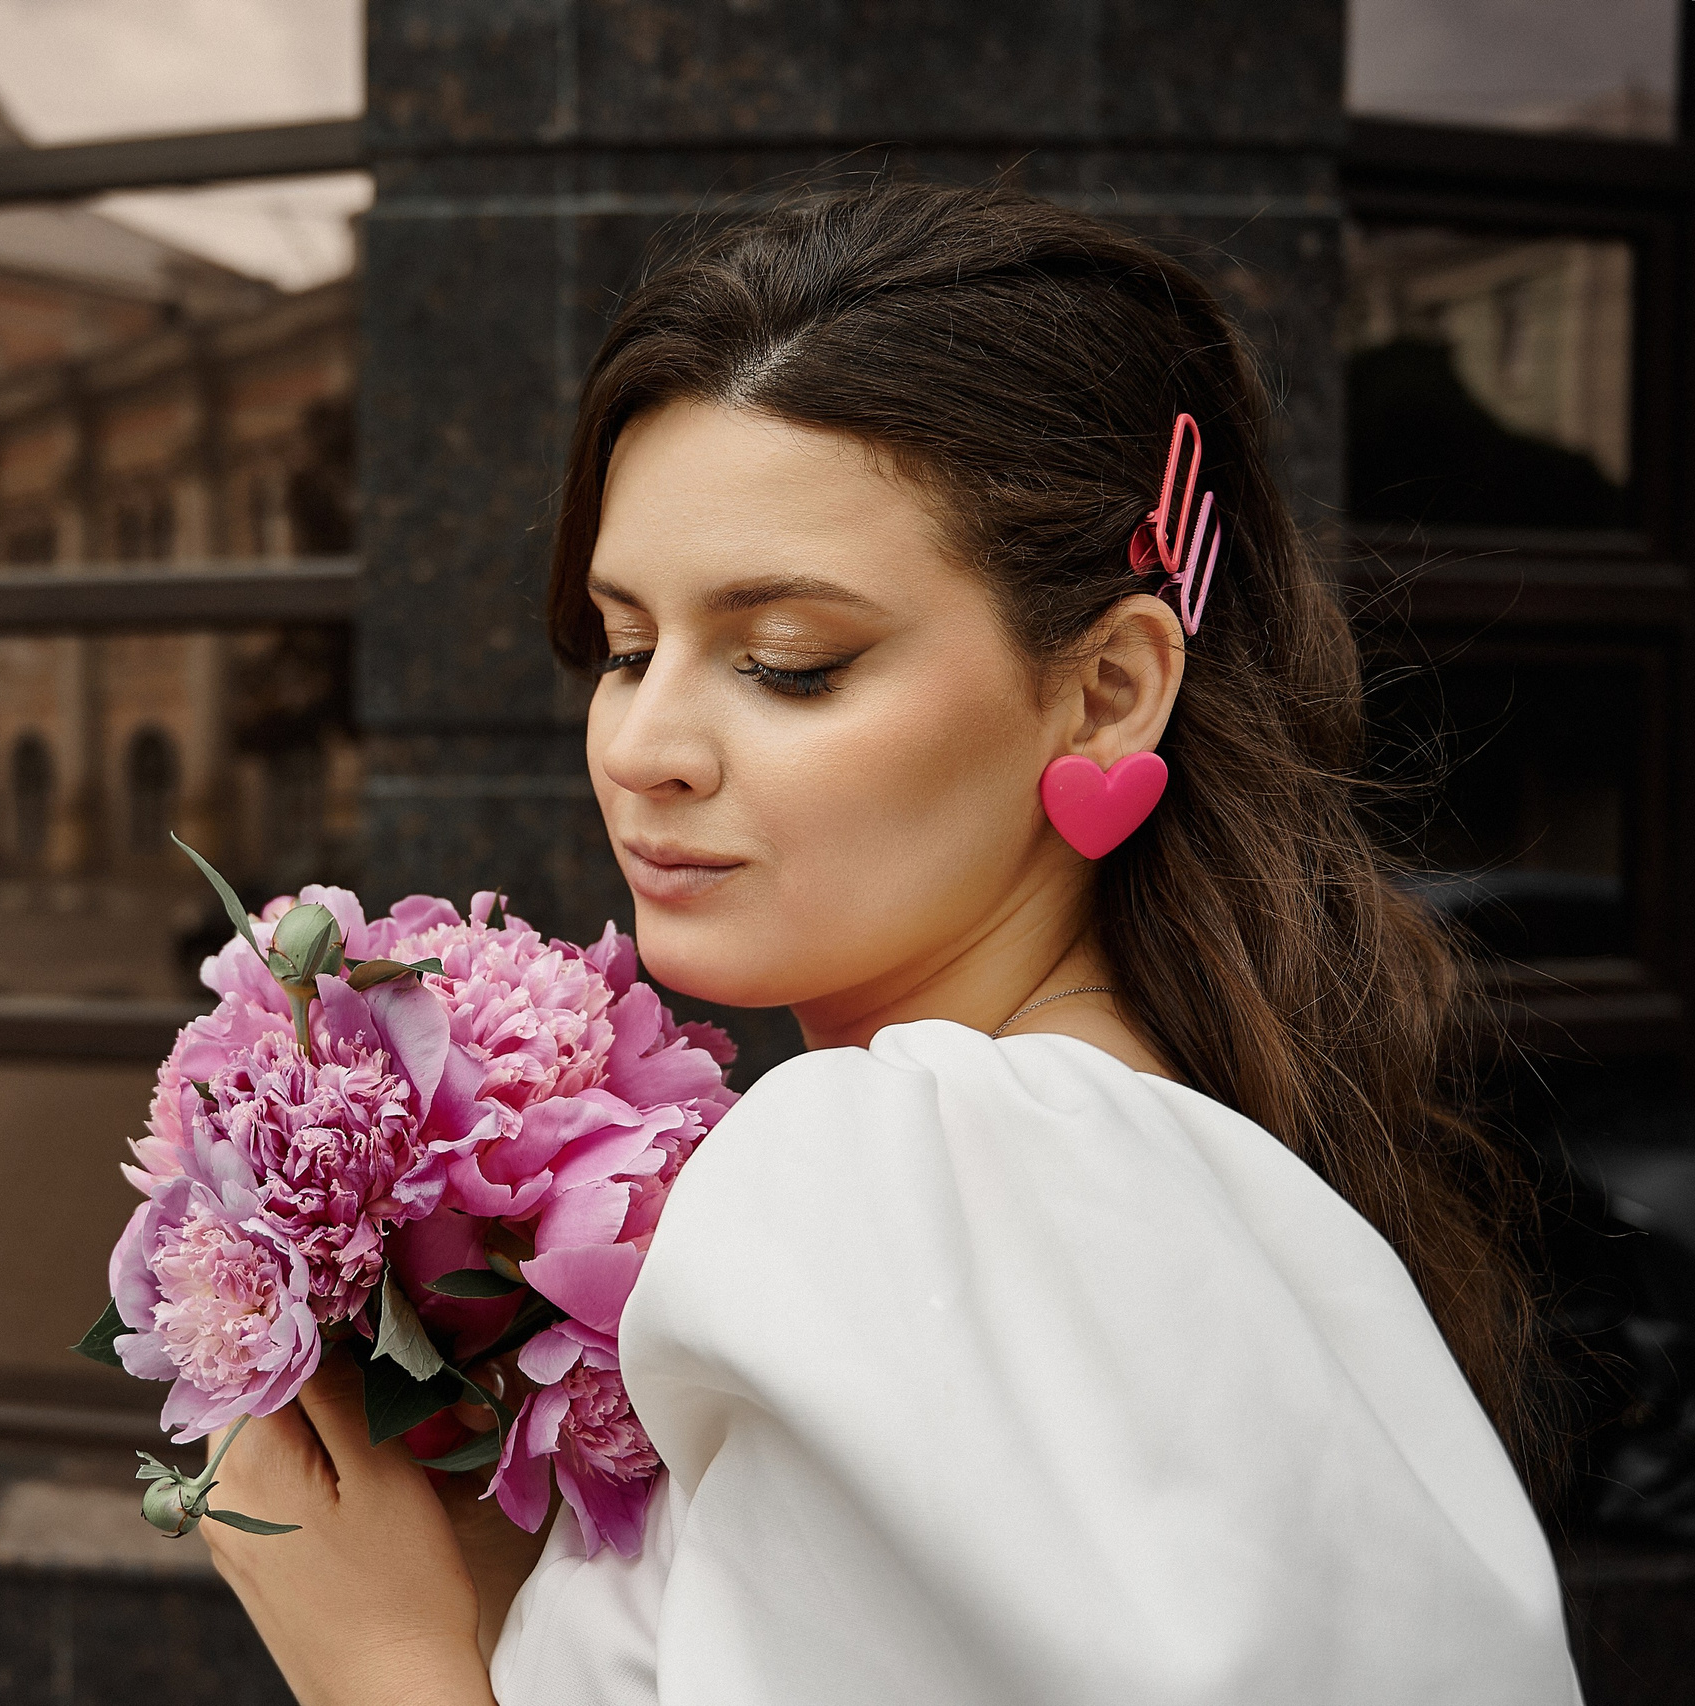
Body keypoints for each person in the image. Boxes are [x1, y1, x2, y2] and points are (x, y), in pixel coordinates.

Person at [194, 182, 1582, 1705]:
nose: (644, 745)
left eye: (791, 663)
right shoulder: (1209, 1171)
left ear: (1109, 689)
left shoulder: (896, 1158)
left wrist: (381, 1658)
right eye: (626, 646)